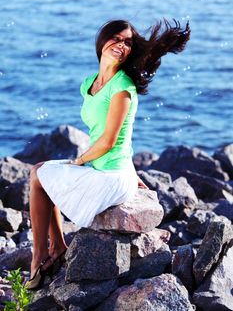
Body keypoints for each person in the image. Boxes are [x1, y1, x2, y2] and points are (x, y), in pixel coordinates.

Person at [25, 18, 190, 290]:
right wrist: (127, 169)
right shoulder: (90, 83)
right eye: (117, 38)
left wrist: (78, 162)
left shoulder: (122, 88)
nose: (121, 45)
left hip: (111, 176)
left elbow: (110, 140)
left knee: (40, 175)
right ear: (103, 40)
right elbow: (124, 135)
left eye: (128, 43)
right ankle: (56, 248)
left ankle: (41, 256)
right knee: (42, 172)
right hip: (103, 167)